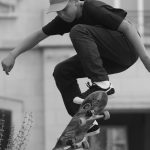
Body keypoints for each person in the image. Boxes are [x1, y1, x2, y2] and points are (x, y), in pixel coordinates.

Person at [1, 0, 150, 136]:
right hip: (111, 61)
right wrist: (13, 54)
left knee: (78, 30)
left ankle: (101, 83)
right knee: (62, 71)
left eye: (64, 9)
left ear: (75, 2)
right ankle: (86, 121)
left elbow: (128, 27)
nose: (62, 15)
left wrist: (145, 59)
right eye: (57, 12)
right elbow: (39, 35)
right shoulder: (63, 20)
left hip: (127, 49)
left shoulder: (92, 8)